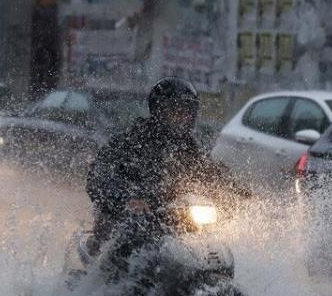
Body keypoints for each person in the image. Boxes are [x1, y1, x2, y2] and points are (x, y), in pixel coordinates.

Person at [86, 77, 248, 250]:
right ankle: (99, 272)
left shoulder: (190, 148)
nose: (181, 117)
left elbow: (211, 172)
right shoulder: (130, 140)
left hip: (172, 222)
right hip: (127, 220)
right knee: (119, 235)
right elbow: (99, 174)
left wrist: (238, 194)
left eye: (186, 112)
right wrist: (127, 198)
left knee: (205, 240)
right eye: (174, 111)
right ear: (158, 111)